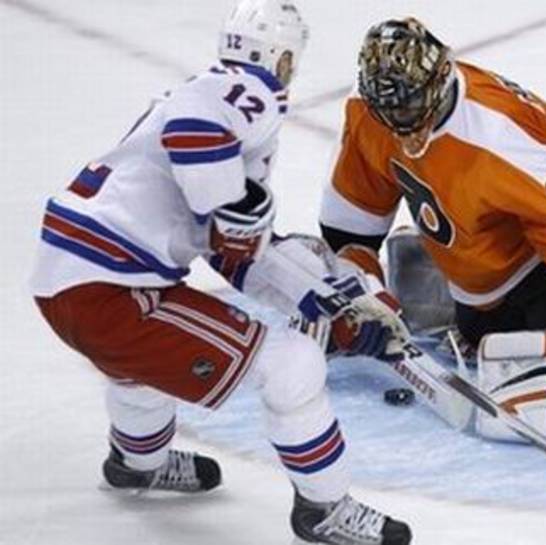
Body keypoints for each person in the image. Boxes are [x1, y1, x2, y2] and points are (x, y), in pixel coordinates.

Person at [30, 2, 410, 544]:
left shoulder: (205, 89)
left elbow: (235, 252)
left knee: (141, 367)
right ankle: (324, 508)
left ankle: (137, 463)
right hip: (110, 291)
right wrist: (228, 203)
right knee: (292, 364)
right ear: (279, 58)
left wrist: (327, 303)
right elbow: (197, 137)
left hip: (67, 278)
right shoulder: (246, 94)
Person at [319, 17, 546, 346]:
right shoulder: (372, 107)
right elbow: (349, 234)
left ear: (441, 79)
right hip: (514, 234)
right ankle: (444, 260)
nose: (401, 127)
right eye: (389, 113)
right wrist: (362, 291)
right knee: (480, 330)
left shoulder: (496, 136)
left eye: (411, 108)